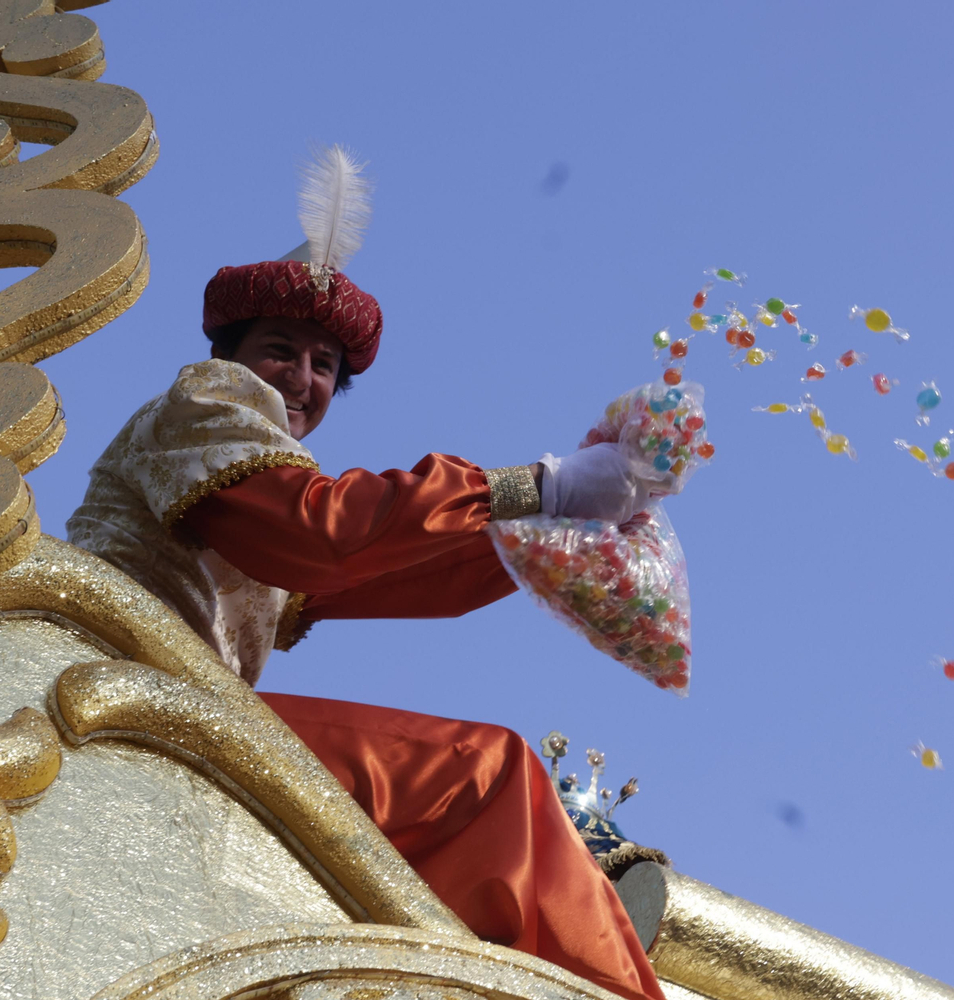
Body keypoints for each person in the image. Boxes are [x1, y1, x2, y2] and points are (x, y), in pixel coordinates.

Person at [66, 148, 667, 1000]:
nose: (303, 379)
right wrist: (536, 485)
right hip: (141, 700)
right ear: (232, 353)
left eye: (324, 368)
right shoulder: (204, 407)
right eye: (281, 350)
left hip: (181, 711)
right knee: (484, 777)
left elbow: (383, 576)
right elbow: (325, 536)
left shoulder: (250, 482)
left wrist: (555, 524)